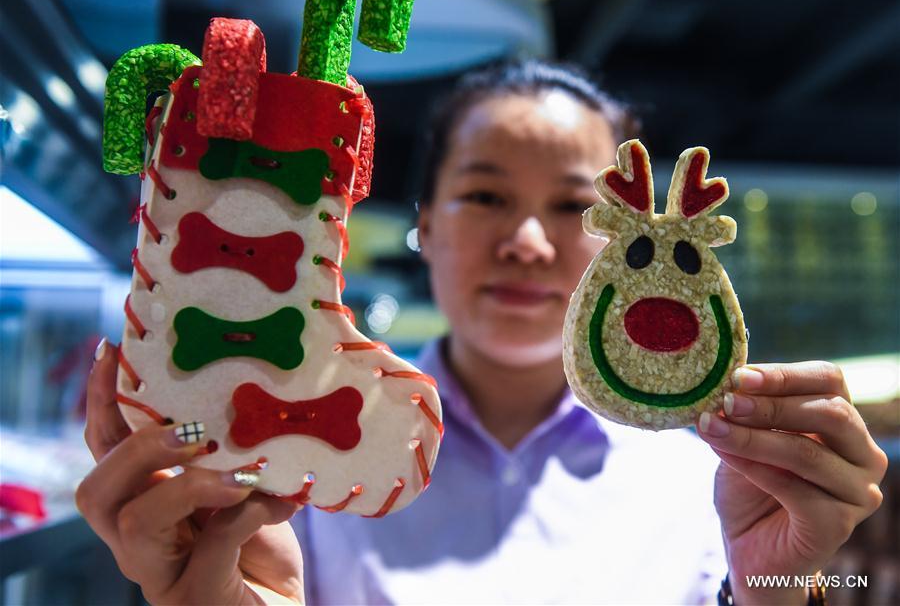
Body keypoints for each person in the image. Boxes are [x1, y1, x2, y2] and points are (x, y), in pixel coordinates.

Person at [77, 60, 887, 605]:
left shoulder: (718, 473)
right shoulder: (296, 441)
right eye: (486, 196)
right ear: (425, 223)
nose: (527, 243)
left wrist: (782, 587)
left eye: (574, 206)